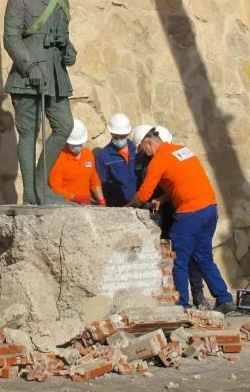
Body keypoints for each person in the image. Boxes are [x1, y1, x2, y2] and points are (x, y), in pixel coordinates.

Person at [127, 125, 234, 314]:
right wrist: (162, 198)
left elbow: (143, 194)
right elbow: (183, 183)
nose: (144, 154)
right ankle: (224, 299)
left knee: (177, 258)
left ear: (149, 143)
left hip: (190, 213)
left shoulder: (159, 160)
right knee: (203, 257)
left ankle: (182, 305)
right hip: (209, 209)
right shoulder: (181, 150)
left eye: (142, 150)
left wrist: (126, 209)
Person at [3, 0, 78, 205]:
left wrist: (69, 50)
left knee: (64, 126)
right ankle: (30, 193)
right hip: (27, 76)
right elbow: (11, 38)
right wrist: (30, 65)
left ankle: (41, 184)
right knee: (28, 133)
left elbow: (63, 35)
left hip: (56, 75)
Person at [152, 124, 211, 309]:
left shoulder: (175, 156)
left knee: (188, 256)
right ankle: (178, 298)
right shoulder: (152, 160)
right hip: (168, 211)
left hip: (182, 211)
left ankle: (194, 296)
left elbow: (180, 185)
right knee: (176, 257)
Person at [48, 119, 105, 205]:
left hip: (86, 205)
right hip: (66, 205)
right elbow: (55, 188)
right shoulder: (58, 158)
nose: (77, 146)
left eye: (80, 143)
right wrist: (74, 197)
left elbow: (94, 180)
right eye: (74, 144)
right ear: (67, 142)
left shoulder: (88, 154)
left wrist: (101, 200)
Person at [95, 112, 137, 207]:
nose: (119, 140)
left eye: (122, 136)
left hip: (140, 201)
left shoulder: (137, 150)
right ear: (111, 133)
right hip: (118, 206)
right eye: (115, 136)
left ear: (127, 133)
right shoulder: (103, 156)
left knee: (153, 218)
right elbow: (101, 183)